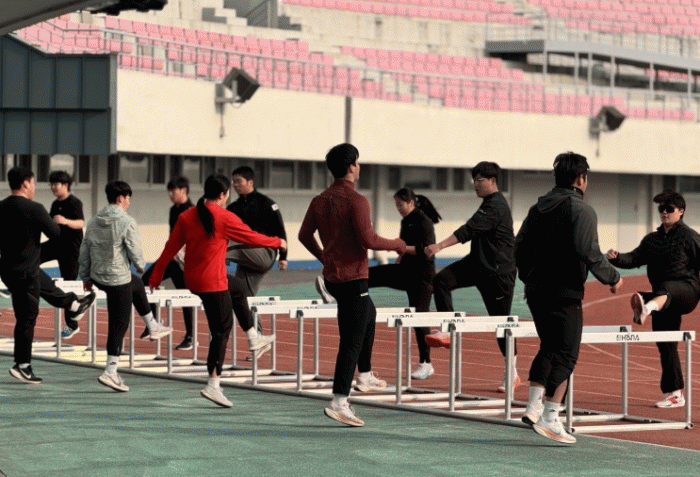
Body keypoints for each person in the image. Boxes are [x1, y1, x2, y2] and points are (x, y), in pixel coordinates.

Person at [149, 174, 285, 408]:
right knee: (221, 330)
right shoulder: (224, 217)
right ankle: (213, 385)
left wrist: (156, 276)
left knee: (238, 287)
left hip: (194, 278)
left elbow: (169, 248)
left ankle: (253, 336)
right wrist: (277, 242)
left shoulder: (187, 216)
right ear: (223, 195)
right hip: (211, 282)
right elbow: (250, 237)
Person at [515, 152, 622, 444]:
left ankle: (533, 408)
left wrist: (529, 278)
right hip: (564, 292)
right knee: (566, 353)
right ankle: (551, 417)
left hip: (536, 291)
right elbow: (589, 251)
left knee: (549, 346)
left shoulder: (537, 208)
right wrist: (613, 277)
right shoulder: (581, 209)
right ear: (581, 179)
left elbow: (519, 247)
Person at [299, 143, 406, 427]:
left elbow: (304, 235)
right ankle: (339, 402)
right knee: (351, 341)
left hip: (334, 278)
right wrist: (397, 244)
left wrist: (324, 256)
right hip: (352, 278)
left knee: (369, 313)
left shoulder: (319, 200)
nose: (359, 167)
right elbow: (368, 239)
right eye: (357, 163)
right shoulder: (356, 200)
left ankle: (365, 375)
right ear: (351, 166)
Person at [316, 187, 441, 380]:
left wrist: (401, 248)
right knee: (370, 274)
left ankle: (426, 363)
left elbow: (426, 249)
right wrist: (398, 258)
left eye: (400, 204)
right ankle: (336, 289)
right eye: (396, 205)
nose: (398, 208)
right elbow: (403, 246)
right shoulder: (406, 221)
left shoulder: (424, 221)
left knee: (419, 317)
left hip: (422, 276)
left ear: (411, 202)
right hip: (405, 271)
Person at [424, 161, 520, 393]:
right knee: (441, 281)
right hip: (477, 265)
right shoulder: (487, 203)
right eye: (474, 180)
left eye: (480, 180)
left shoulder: (496, 205)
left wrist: (439, 246)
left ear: (493, 181)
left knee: (502, 324)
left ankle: (512, 373)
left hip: (498, 273)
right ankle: (447, 329)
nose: (475, 184)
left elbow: (468, 231)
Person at [607, 190, 700, 409]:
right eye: (661, 209)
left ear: (681, 211)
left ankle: (647, 309)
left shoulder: (689, 236)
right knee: (665, 342)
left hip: (687, 290)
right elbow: (634, 258)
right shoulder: (652, 240)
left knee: (667, 288)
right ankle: (675, 394)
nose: (664, 212)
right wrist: (617, 258)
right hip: (662, 297)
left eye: (669, 209)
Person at [79, 181, 173, 393]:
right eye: (128, 198)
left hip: (99, 276)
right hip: (116, 279)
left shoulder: (93, 221)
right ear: (121, 198)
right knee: (119, 324)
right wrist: (140, 264)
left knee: (136, 283)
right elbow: (134, 248)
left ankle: (152, 325)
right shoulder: (126, 221)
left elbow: (84, 250)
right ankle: (110, 371)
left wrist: (85, 277)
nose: (129, 202)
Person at [226, 166, 288, 360]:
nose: (235, 185)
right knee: (244, 299)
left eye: (239, 181)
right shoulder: (233, 208)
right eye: (233, 182)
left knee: (225, 243)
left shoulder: (266, 203)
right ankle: (258, 339)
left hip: (265, 254)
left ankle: (208, 257)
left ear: (250, 182)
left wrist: (284, 256)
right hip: (246, 259)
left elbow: (280, 229)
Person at [140, 176, 195, 350]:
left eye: (173, 190)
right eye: (169, 191)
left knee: (185, 296)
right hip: (171, 258)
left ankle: (191, 336)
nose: (170, 194)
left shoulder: (192, 211)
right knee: (146, 281)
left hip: (184, 262)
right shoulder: (173, 210)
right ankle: (154, 322)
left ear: (184, 191)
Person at [40, 170, 86, 339]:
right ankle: (14, 284)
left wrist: (65, 221)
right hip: (55, 244)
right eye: (51, 184)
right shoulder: (54, 204)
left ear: (65, 185)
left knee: (68, 284)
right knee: (32, 256)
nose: (53, 187)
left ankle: (72, 325)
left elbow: (80, 223)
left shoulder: (74, 202)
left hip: (70, 249)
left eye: (56, 184)